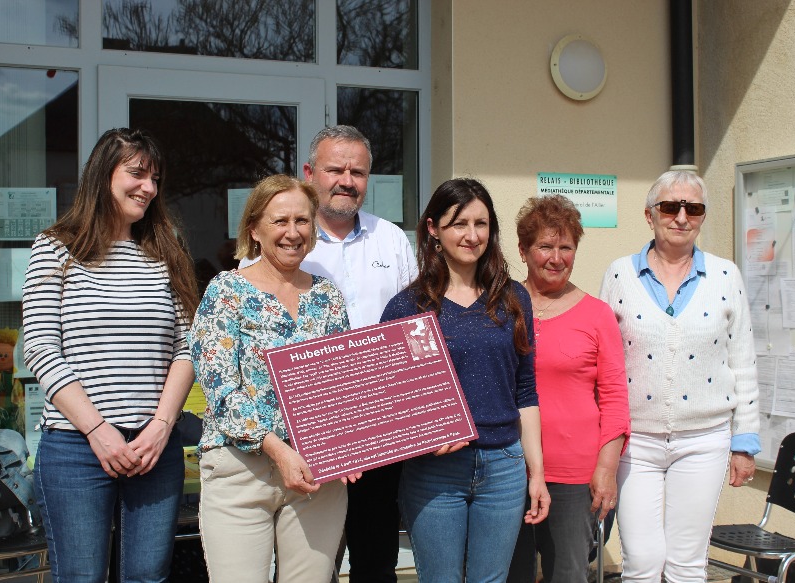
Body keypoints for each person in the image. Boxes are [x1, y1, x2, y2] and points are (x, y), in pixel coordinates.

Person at [22, 127, 201, 582]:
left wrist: (162, 427)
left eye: (155, 178)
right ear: (103, 175)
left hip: (152, 449)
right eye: (137, 173)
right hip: (76, 446)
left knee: (147, 575)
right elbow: (41, 348)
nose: (149, 187)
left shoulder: (165, 252)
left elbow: (187, 347)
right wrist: (99, 430)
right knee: (81, 576)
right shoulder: (56, 248)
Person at [380, 177, 550, 583]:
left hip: (504, 466)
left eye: (482, 224)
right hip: (435, 472)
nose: (472, 236)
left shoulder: (512, 299)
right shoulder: (410, 307)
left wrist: (537, 473)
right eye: (459, 223)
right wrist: (423, 434)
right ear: (433, 229)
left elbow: (525, 390)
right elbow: (390, 400)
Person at [190, 174, 356, 583]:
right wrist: (279, 451)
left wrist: (356, 442)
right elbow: (221, 389)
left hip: (318, 475)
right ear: (254, 229)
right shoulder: (225, 291)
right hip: (242, 469)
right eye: (280, 221)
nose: (293, 232)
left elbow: (346, 383)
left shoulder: (327, 296)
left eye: (302, 221)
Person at [599, 170, 759, 583]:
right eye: (670, 206)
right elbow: (604, 361)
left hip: (705, 438)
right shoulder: (619, 275)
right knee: (642, 559)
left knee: (688, 562)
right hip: (636, 440)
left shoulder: (726, 276)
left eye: (694, 208)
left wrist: (745, 442)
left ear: (703, 217)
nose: (681, 217)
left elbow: (743, 360)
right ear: (649, 214)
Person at [301, 125, 417, 582]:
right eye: (335, 169)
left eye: (358, 171)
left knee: (375, 561)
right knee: (309, 563)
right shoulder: (289, 235)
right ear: (310, 172)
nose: (346, 180)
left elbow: (415, 326)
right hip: (309, 426)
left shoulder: (390, 239)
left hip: (380, 427)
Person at [507, 195, 630, 583]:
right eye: (545, 246)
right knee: (510, 573)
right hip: (506, 465)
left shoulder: (596, 315)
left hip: (574, 473)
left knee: (568, 574)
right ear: (524, 249)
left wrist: (607, 470)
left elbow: (614, 398)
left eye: (566, 247)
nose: (556, 258)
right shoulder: (502, 304)